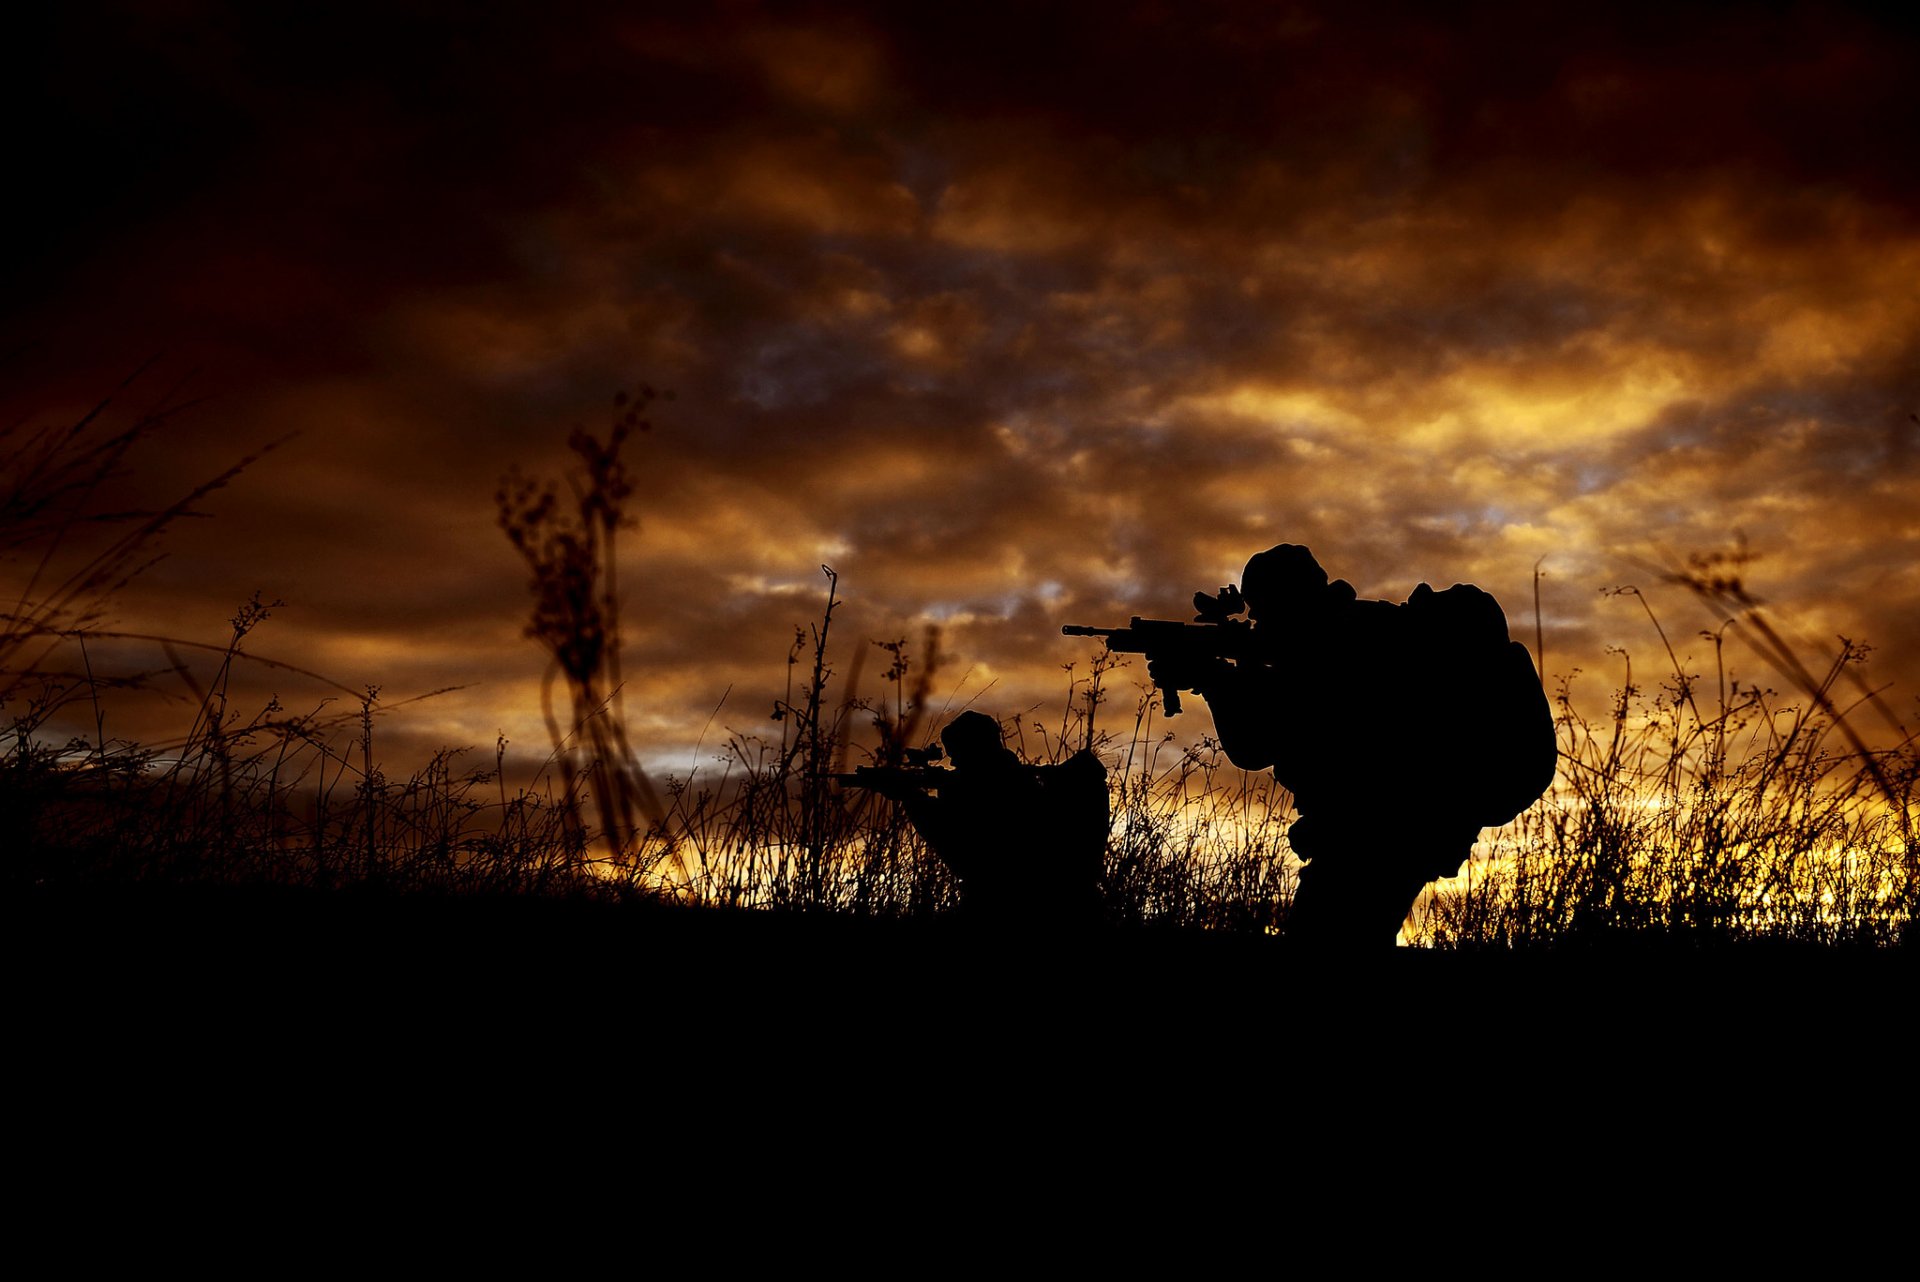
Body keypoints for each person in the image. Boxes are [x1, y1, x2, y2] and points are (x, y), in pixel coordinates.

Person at [1153, 544, 1555, 946]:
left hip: (1380, 836)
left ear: (1287, 602)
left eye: (1262, 612)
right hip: (1393, 832)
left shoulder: (1338, 648)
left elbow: (1257, 744)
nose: (1258, 625)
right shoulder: (1355, 632)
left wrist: (1214, 682)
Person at [883, 711, 1107, 927]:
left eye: (958, 758)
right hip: (1059, 903)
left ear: (973, 753)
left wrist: (910, 797)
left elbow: (957, 845)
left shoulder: (1006, 788)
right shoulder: (1023, 783)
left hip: (1011, 904)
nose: (953, 766)